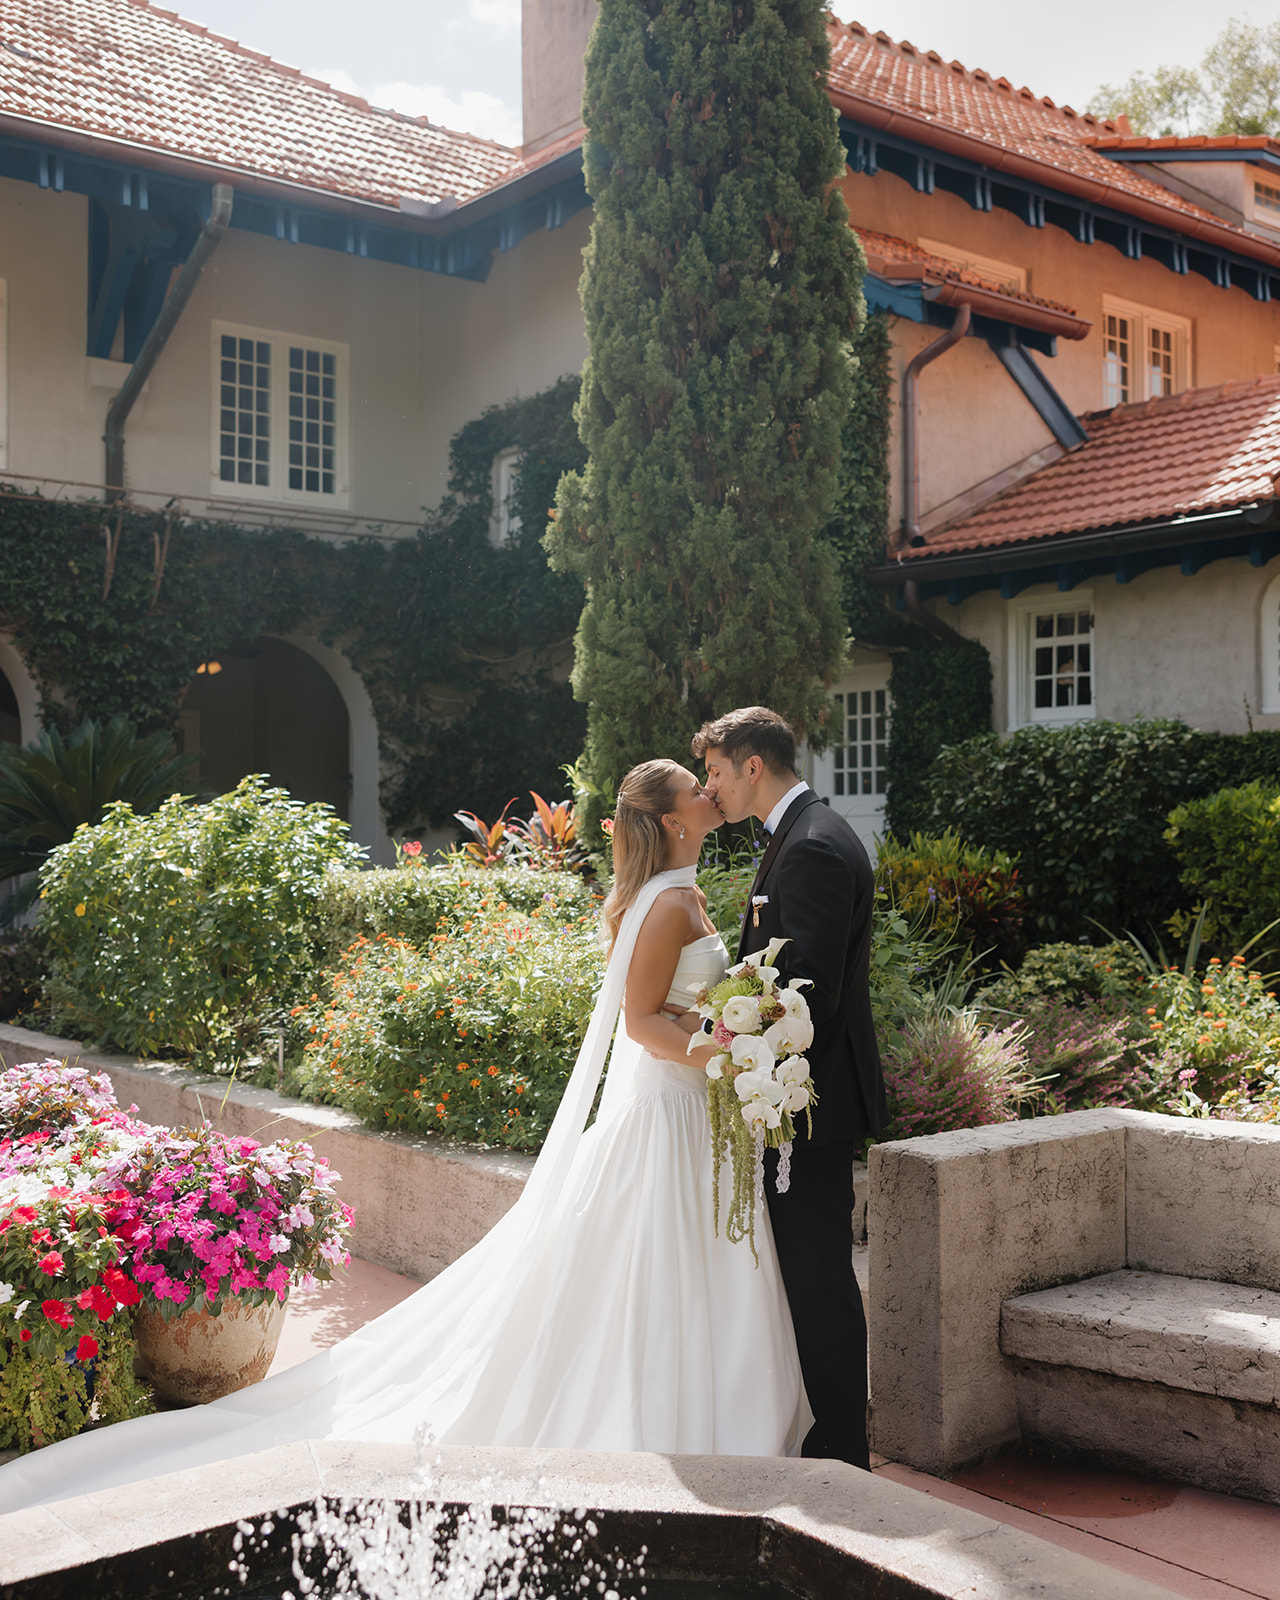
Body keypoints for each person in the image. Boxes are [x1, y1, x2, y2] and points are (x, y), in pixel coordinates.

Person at [0, 760, 805, 1515]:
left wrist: (733, 1035)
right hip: (666, 1113)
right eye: (696, 789)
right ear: (671, 821)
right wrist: (729, 1051)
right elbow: (638, 1024)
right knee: (656, 1271)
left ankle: (716, 1408)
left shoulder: (685, 890)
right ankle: (666, 1416)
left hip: (697, 1109)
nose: (711, 793)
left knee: (695, 1263)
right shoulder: (665, 903)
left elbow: (677, 1007)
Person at [690, 706, 887, 1471]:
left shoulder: (811, 848)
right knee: (810, 1272)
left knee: (819, 1277)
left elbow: (806, 993)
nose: (712, 786)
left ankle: (843, 1449)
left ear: (751, 765)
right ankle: (830, 1433)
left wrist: (728, 1042)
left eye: (715, 769)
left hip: (807, 1101)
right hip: (802, 1096)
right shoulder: (806, 836)